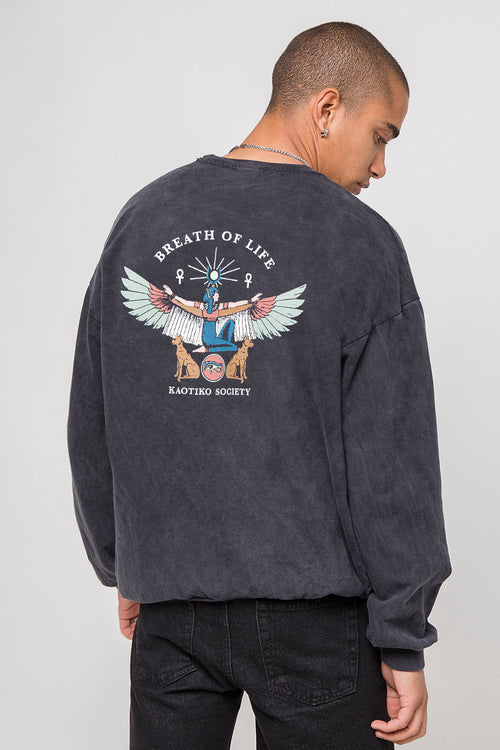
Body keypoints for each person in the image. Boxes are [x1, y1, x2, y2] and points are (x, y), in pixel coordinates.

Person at [67, 20, 452, 749]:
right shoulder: (359, 241)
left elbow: (94, 415)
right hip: (315, 624)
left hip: (171, 613)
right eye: (381, 136)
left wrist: (128, 565)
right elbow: (393, 458)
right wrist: (403, 636)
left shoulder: (143, 219)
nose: (379, 167)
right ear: (327, 108)